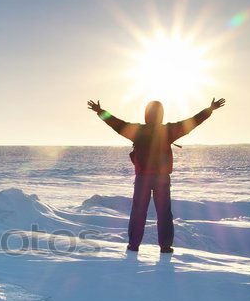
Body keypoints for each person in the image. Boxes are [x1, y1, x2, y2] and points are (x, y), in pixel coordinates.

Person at [87, 97, 226, 253]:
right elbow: (192, 122)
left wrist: (100, 111)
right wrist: (210, 109)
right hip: (161, 178)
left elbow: (116, 123)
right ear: (161, 115)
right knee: (164, 212)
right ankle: (165, 247)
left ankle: (134, 245)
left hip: (142, 178)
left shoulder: (137, 130)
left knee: (139, 211)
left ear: (146, 114)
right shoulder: (168, 130)